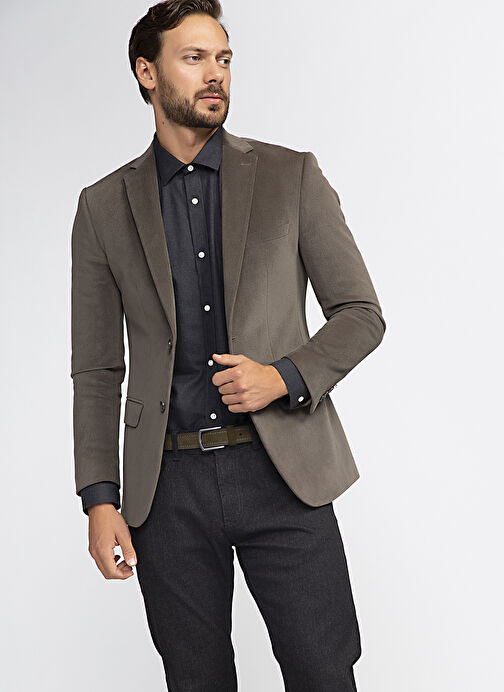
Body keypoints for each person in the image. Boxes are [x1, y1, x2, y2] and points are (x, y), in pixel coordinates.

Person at [70, 1, 386, 689]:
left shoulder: (290, 176)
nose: (215, 74)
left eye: (223, 58)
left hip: (284, 472)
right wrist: (99, 498)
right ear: (147, 72)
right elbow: (96, 367)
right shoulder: (103, 206)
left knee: (324, 674)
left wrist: (284, 375)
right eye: (194, 58)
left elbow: (361, 314)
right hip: (167, 489)